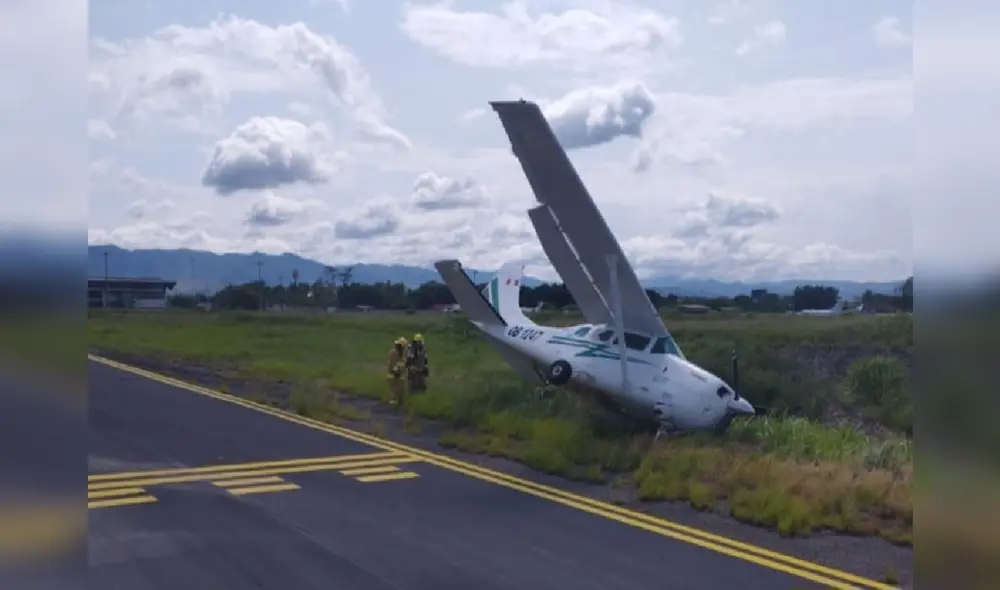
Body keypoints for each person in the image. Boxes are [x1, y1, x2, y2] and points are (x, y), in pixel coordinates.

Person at [387, 337, 408, 406]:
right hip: (393, 372)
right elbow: (391, 364)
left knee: (401, 387)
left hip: (400, 372)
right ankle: (394, 401)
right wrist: (394, 370)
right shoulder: (393, 352)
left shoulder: (404, 353)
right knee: (394, 386)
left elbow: (404, 362)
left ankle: (400, 401)